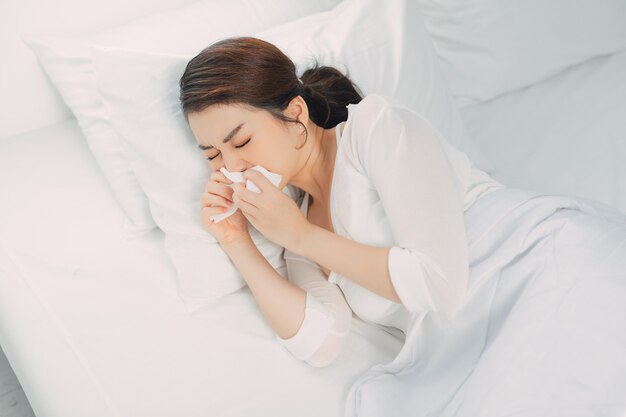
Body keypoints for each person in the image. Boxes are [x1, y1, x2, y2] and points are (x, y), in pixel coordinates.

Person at [177, 35, 507, 367]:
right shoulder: (297, 226)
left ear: (295, 114)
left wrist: (299, 235)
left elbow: (440, 284)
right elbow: (318, 345)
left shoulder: (375, 129)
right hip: (476, 351)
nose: (232, 166)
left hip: (520, 269)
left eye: (242, 141)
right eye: (213, 155)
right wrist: (237, 241)